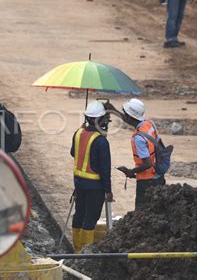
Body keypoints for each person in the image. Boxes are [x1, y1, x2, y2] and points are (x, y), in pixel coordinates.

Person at [105, 99, 165, 209]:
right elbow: (131, 119)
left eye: (125, 113)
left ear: (129, 117)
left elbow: (147, 164)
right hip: (159, 176)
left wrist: (130, 172)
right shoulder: (149, 124)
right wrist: (113, 110)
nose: (124, 116)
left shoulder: (138, 138)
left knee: (142, 213)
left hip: (147, 182)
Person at [70, 101, 113, 253]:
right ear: (98, 120)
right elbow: (105, 170)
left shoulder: (78, 133)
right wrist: (108, 191)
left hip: (79, 184)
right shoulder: (101, 141)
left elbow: (73, 153)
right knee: (90, 219)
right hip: (95, 187)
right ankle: (84, 253)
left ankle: (76, 250)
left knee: (79, 214)